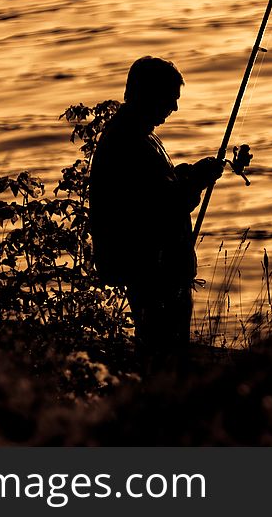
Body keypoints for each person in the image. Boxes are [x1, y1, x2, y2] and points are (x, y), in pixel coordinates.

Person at [89, 56, 224, 371]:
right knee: (165, 356)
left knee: (160, 350)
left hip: (156, 267)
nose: (174, 108)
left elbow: (157, 187)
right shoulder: (129, 142)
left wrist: (192, 172)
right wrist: (197, 183)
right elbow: (159, 206)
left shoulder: (137, 135)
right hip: (152, 269)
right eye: (170, 99)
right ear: (148, 94)